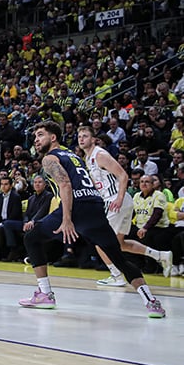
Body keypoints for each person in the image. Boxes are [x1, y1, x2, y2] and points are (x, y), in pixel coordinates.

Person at [19, 121, 165, 318]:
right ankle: (151, 302)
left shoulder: (50, 158)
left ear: (53, 138)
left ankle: (45, 294)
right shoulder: (74, 156)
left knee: (31, 238)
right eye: (35, 136)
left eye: (40, 135)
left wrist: (67, 219)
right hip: (95, 205)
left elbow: (65, 185)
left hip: (76, 206)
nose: (36, 140)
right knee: (119, 258)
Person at [78, 125, 173, 284]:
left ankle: (116, 276)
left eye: (85, 136)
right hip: (117, 201)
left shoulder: (100, 155)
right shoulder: (89, 158)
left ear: (93, 139)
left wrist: (119, 198)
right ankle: (161, 255)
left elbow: (123, 175)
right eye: (80, 136)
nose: (81, 139)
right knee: (120, 243)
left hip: (116, 200)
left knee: (99, 240)